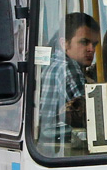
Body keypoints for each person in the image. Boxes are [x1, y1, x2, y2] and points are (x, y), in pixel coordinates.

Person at [37, 11, 99, 139]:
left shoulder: (49, 61)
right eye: (84, 42)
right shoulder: (67, 67)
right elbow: (92, 114)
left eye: (94, 44)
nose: (91, 49)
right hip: (56, 142)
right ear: (64, 43)